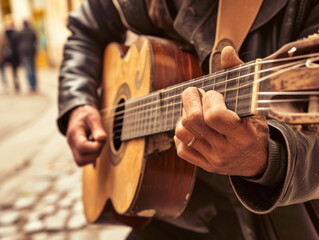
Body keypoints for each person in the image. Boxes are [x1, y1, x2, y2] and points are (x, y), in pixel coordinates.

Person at [57, 0, 319, 239]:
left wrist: (269, 158)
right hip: (159, 206)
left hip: (252, 221)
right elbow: (85, 30)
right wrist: (77, 102)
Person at [18, 20, 38, 92]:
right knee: (33, 68)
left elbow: (18, 42)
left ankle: (31, 85)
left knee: (27, 69)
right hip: (31, 51)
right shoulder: (32, 31)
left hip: (24, 52)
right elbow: (36, 40)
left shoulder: (20, 32)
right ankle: (34, 85)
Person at [4, 19, 20, 92]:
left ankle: (15, 81)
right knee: (15, 69)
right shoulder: (16, 32)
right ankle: (16, 82)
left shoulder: (4, 34)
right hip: (16, 53)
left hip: (9, 54)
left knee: (13, 69)